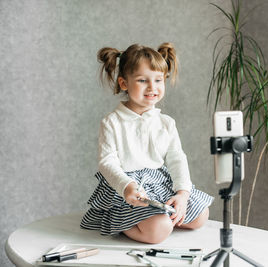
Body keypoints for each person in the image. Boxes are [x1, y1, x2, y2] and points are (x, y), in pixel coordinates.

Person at [80, 42, 213, 244]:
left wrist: (183, 194)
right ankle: (126, 224)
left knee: (201, 215)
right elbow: (107, 162)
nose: (152, 87)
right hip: (130, 187)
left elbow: (177, 158)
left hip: (158, 182)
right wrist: (126, 186)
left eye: (158, 80)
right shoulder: (112, 122)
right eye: (142, 80)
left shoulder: (166, 123)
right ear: (124, 84)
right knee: (159, 230)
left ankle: (161, 220)